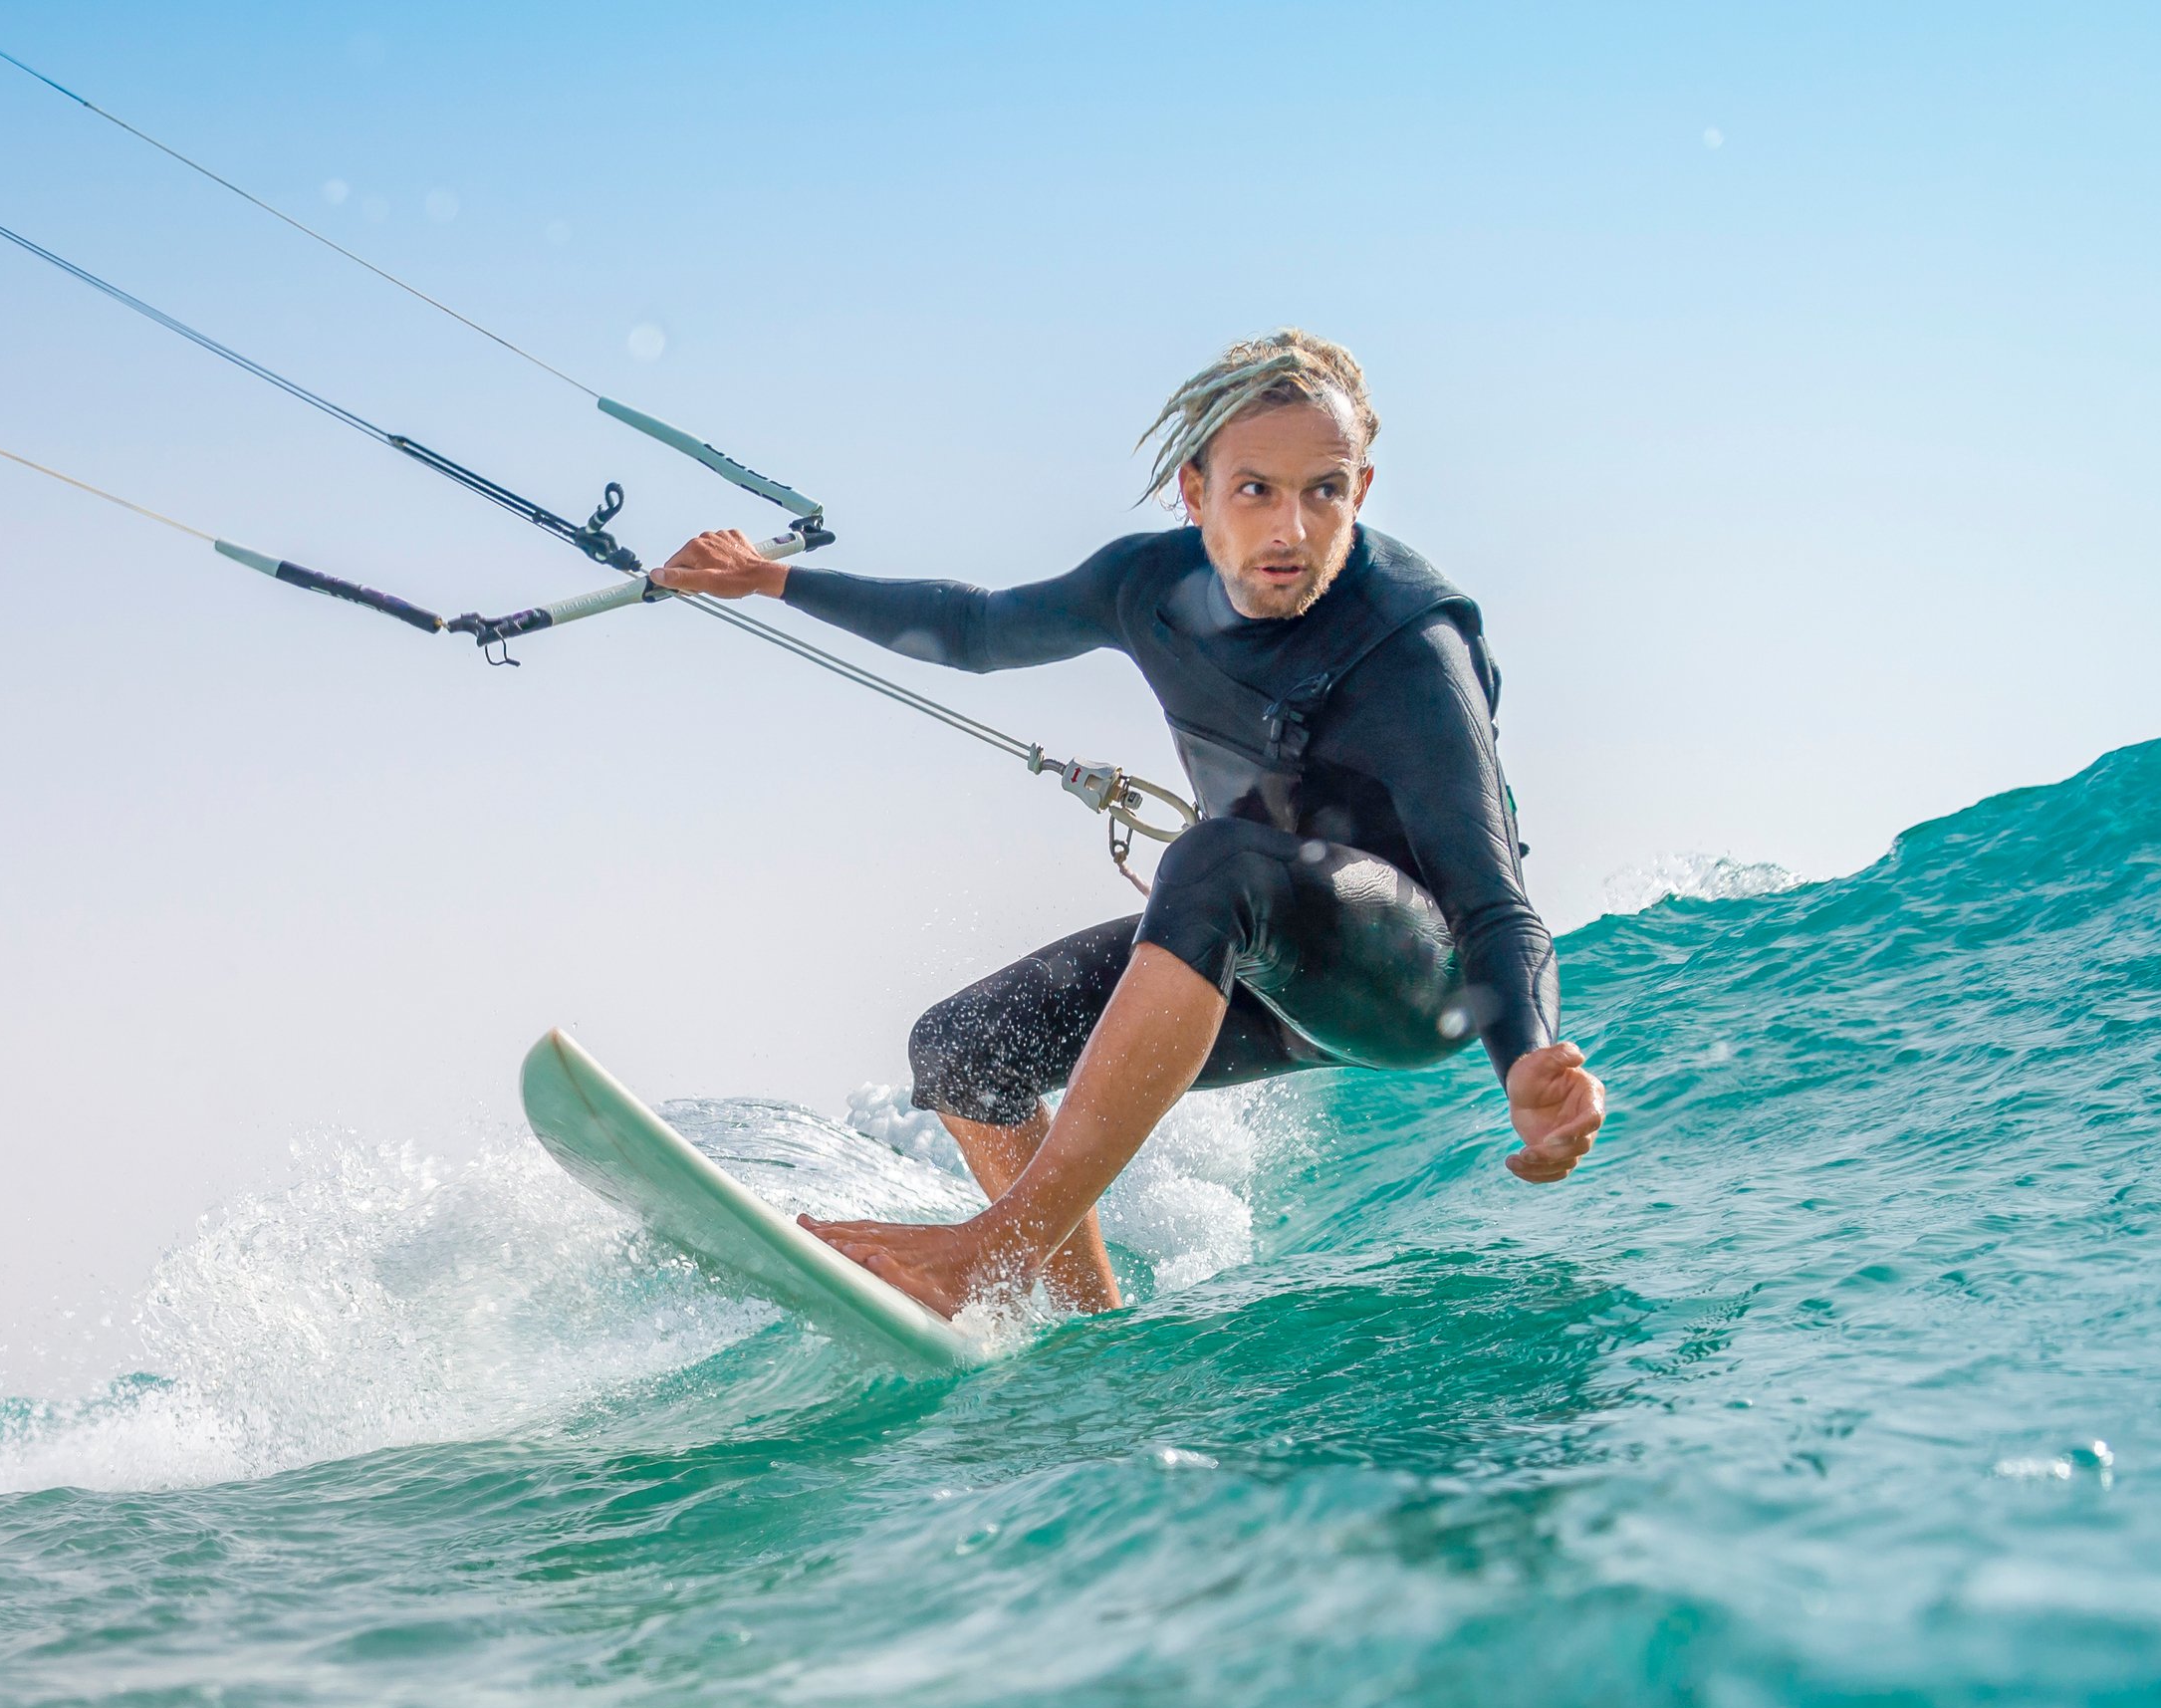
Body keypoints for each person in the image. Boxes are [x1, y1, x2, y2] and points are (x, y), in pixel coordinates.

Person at [650, 329, 1608, 1318]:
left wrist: (1526, 1057)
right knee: (961, 1050)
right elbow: (979, 629)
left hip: (1412, 975)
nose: (1291, 526)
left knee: (1214, 861)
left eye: (1323, 490)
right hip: (1258, 955)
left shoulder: (1412, 645)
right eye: (1255, 490)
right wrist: (773, 578)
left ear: (1359, 492)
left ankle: (995, 1251)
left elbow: (1495, 903)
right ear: (1194, 495)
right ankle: (1089, 1327)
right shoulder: (1145, 587)